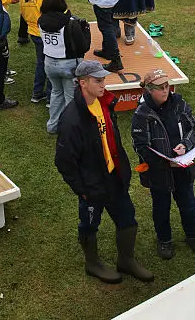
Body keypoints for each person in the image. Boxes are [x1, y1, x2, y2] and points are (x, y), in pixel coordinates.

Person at [55, 60, 154, 284]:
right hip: (92, 186)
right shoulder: (72, 120)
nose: (103, 84)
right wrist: (82, 190)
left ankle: (126, 260)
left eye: (103, 79)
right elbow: (64, 161)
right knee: (89, 224)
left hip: (114, 177)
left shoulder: (104, 102)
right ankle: (93, 264)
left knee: (127, 218)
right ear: (82, 83)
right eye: (97, 80)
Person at [132, 69, 195, 260]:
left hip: (183, 168)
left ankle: (193, 236)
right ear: (148, 90)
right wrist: (165, 164)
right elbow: (140, 146)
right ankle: (164, 240)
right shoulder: (141, 113)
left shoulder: (179, 103)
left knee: (188, 204)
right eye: (160, 88)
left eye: (167, 86)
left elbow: (194, 128)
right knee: (161, 207)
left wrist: (186, 144)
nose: (166, 91)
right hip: (159, 173)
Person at [39, 0, 90, 134]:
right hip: (68, 65)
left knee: (56, 93)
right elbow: (83, 46)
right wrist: (85, 30)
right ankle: (70, 129)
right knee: (70, 98)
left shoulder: (41, 21)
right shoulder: (70, 23)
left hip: (49, 63)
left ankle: (53, 125)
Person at [19, 0, 54, 104]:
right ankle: (51, 98)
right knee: (51, 64)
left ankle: (37, 93)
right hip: (47, 33)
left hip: (33, 32)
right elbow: (54, 15)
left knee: (41, 62)